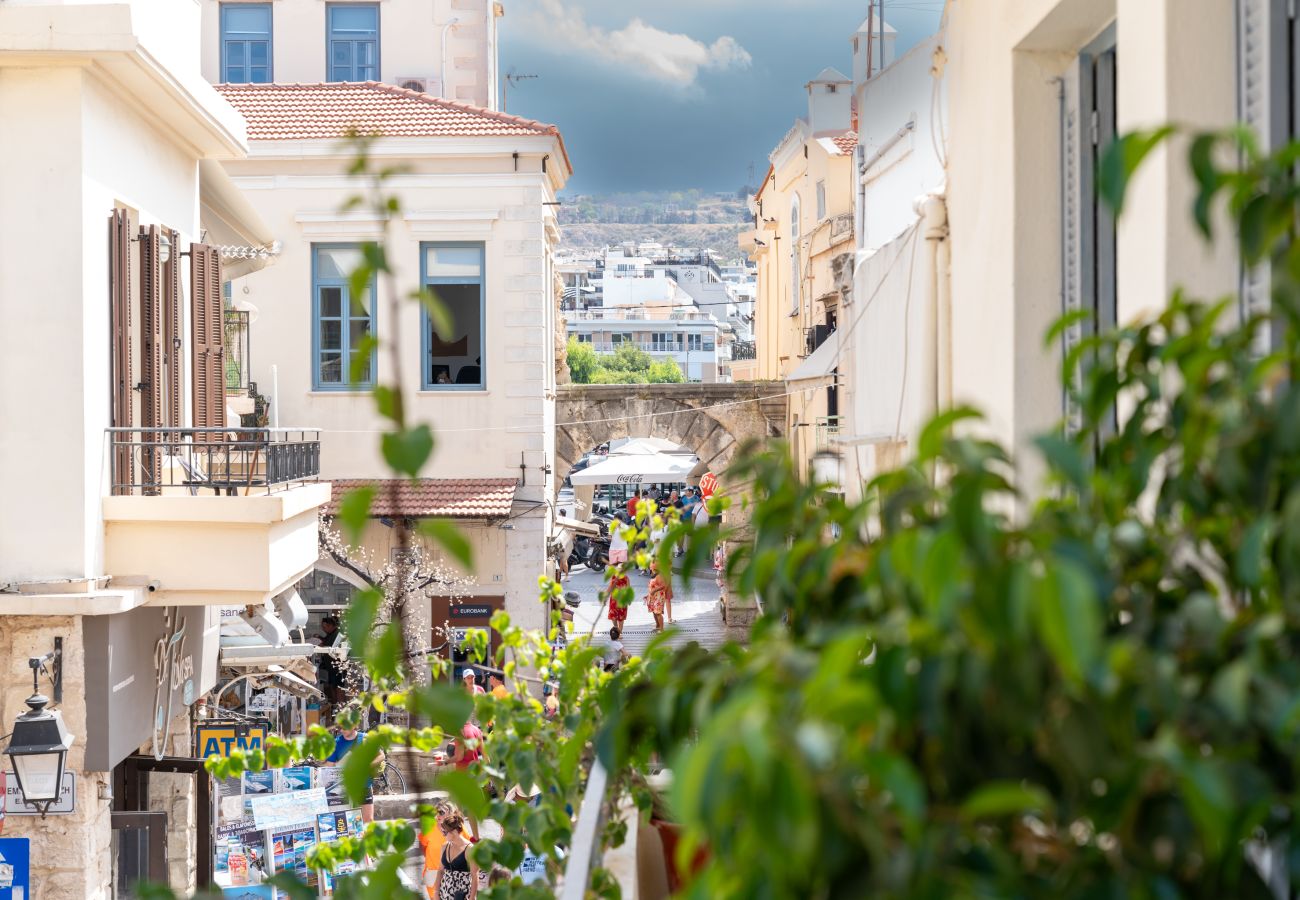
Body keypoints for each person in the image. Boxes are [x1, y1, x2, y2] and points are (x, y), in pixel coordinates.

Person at [325, 714, 381, 822]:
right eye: (340, 727)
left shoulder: (365, 738)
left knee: (368, 820)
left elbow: (381, 755)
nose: (342, 730)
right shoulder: (336, 743)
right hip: (345, 788)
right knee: (350, 822)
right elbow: (330, 767)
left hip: (364, 785)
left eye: (344, 727)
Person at [431, 809, 479, 900]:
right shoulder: (445, 846)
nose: (443, 835)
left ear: (454, 831)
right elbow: (440, 871)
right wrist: (436, 892)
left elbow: (475, 875)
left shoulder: (469, 849)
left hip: (462, 895)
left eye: (445, 832)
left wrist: (472, 898)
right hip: (444, 893)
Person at [315, 616, 345, 704]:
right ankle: (335, 705)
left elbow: (332, 647)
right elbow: (327, 642)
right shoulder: (331, 634)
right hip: (331, 667)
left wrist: (321, 646)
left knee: (338, 687)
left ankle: (340, 706)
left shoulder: (337, 634)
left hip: (337, 667)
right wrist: (321, 638)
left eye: (325, 627)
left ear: (331, 626)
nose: (323, 629)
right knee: (332, 686)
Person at [646, 560, 674, 631]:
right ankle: (657, 626)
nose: (650, 568)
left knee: (658, 613)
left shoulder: (659, 576)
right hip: (653, 597)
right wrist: (648, 595)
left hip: (658, 597)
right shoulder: (653, 575)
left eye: (650, 567)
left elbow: (663, 586)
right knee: (654, 612)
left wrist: (654, 590)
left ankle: (661, 629)